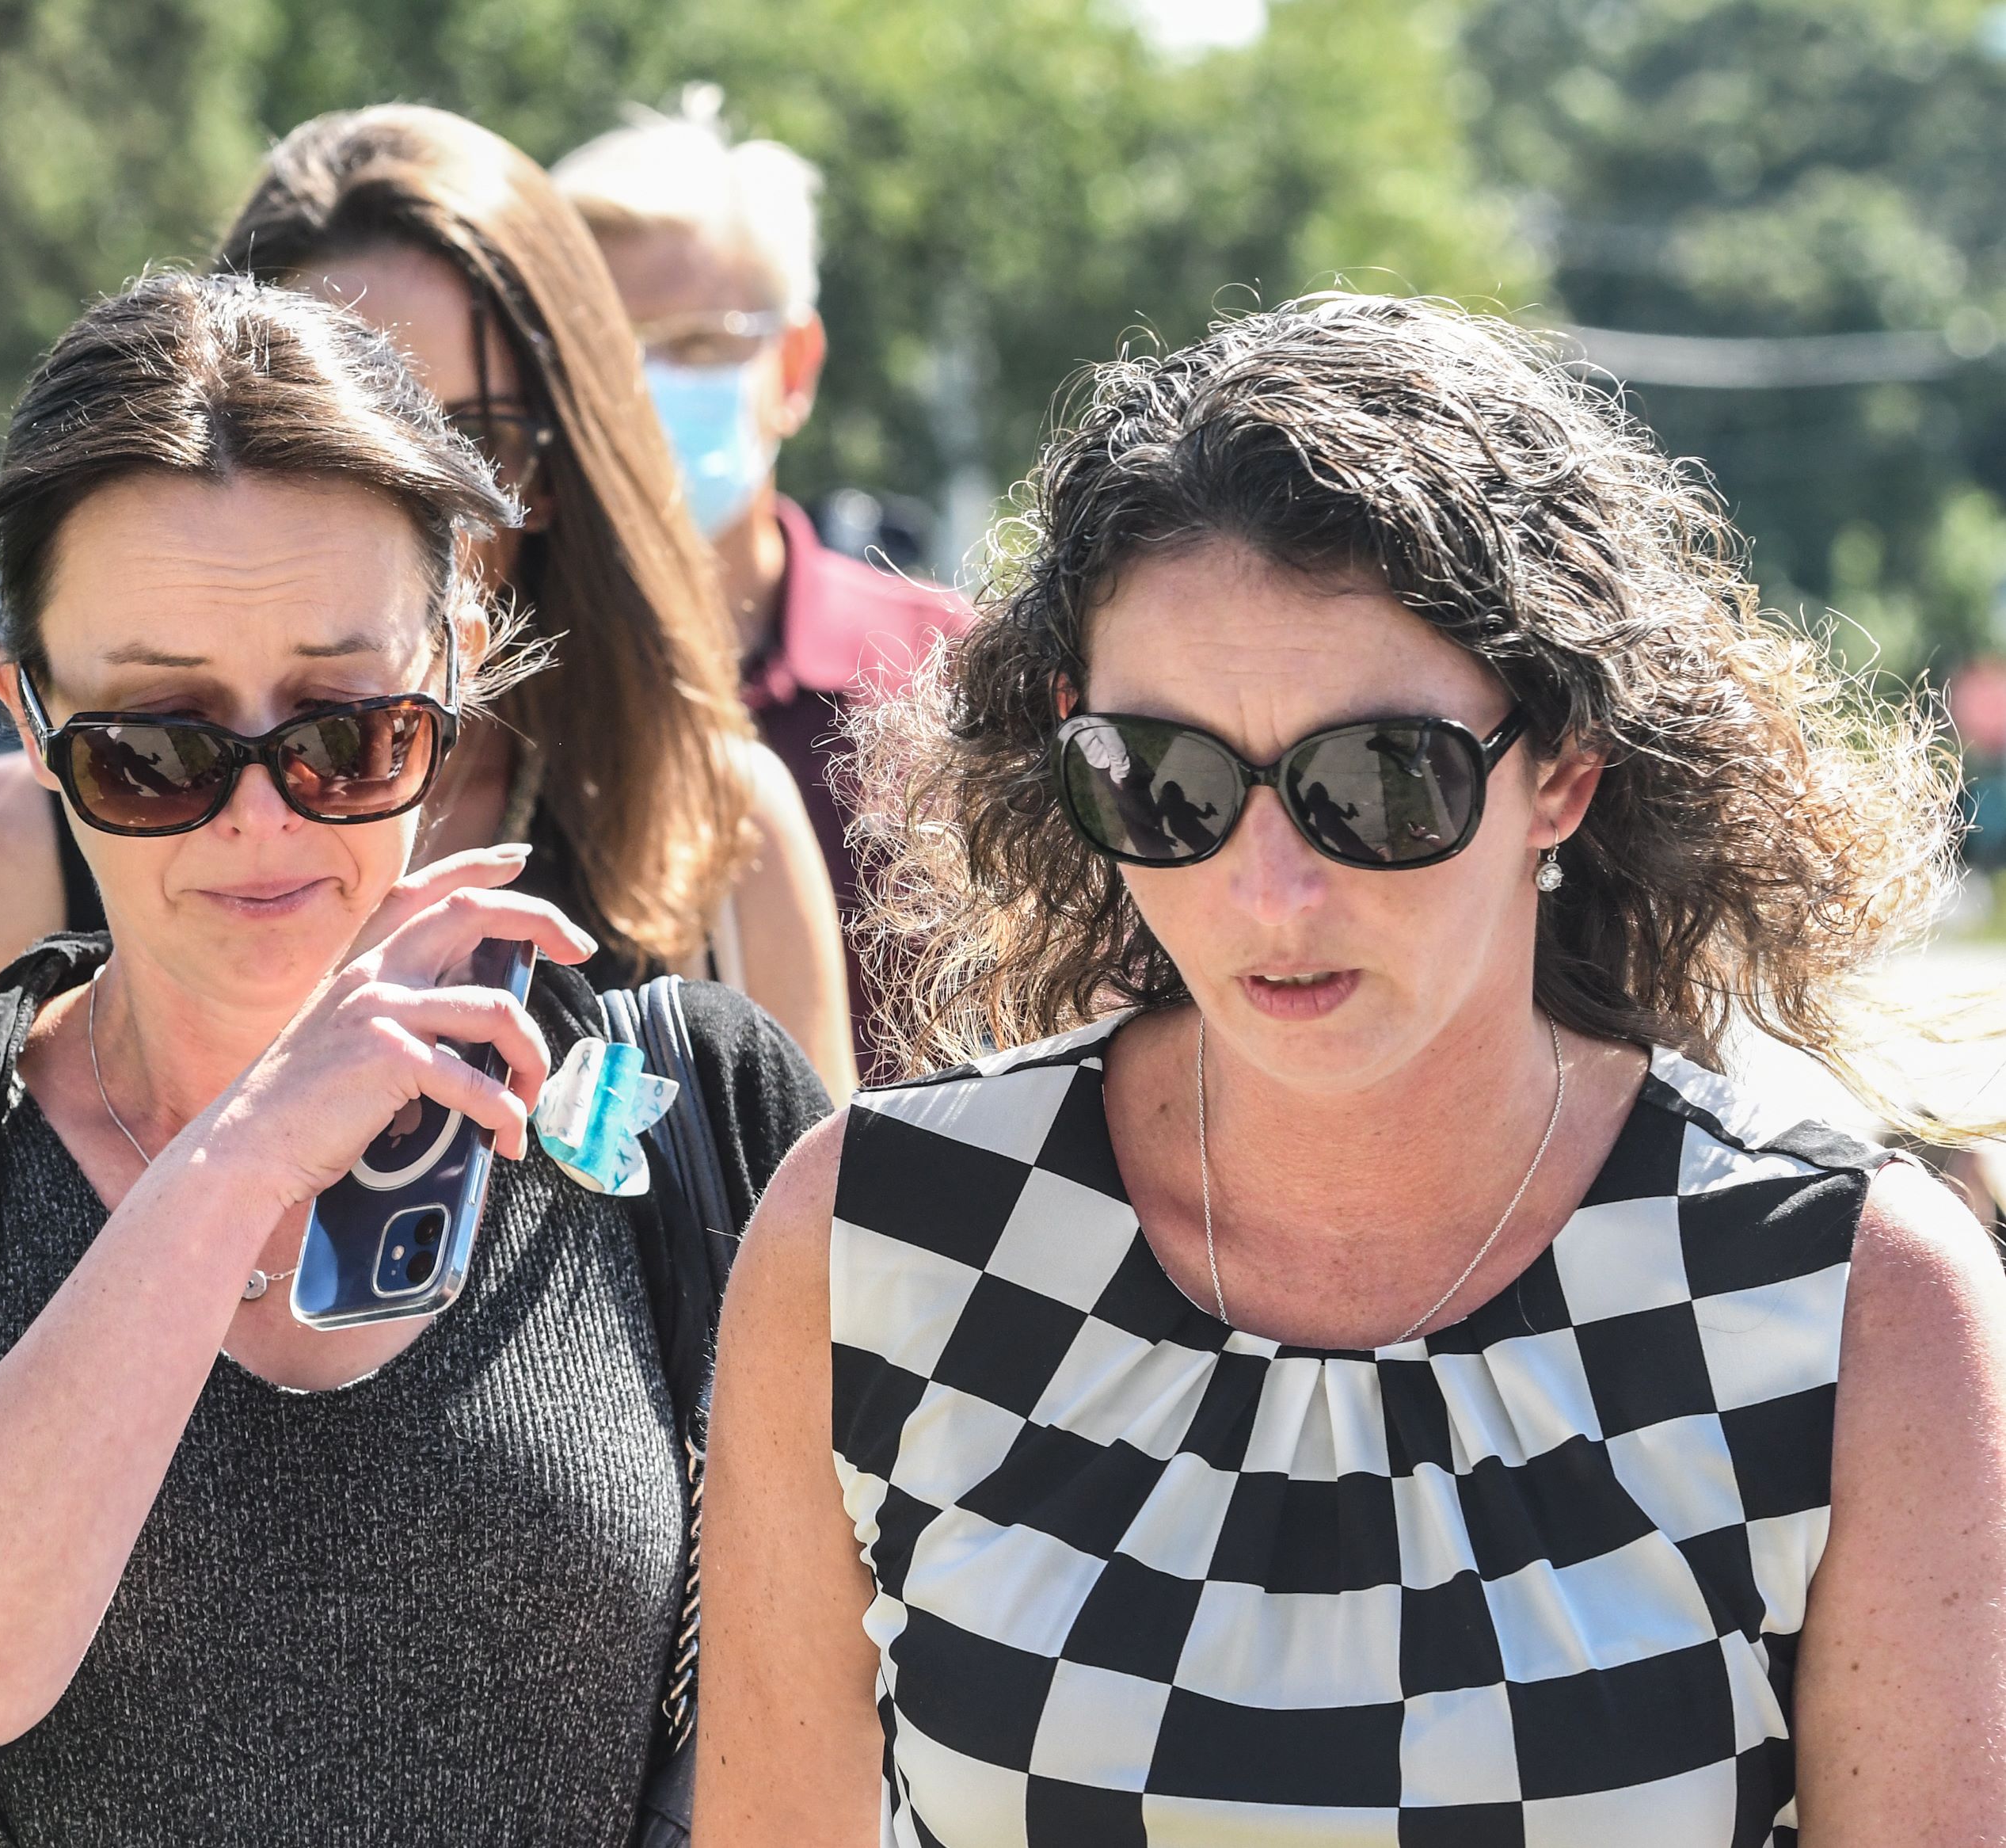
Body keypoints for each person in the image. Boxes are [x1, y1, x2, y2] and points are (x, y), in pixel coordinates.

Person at [698, 295, 2006, 1843]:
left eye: (1376, 781)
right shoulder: (875, 1233)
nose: (1269, 890)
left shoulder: (1846, 1292)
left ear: (1564, 769)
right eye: (1164, 779)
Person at [0, 270, 829, 1846]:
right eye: (151, 747)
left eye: (343, 730)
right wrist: (239, 1155)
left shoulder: (695, 1106)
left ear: (450, 663)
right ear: (26, 716)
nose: (260, 818)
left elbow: (831, 1736)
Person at [0, 106, 855, 1101]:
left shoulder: (716, 826)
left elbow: (808, 1252)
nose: (404, 494)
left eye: (473, 437)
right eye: (323, 425)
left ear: (558, 473)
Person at [554, 90, 973, 1080]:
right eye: (601, 351)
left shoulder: (949, 673)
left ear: (792, 365)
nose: (643, 388)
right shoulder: (500, 694)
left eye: (699, 343)